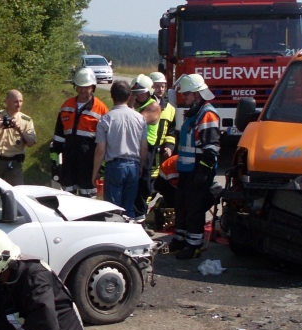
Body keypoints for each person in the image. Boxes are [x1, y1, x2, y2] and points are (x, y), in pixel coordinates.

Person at [169, 74, 221, 260]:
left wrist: (203, 173)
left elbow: (211, 149)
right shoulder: (194, 113)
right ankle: (180, 239)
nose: (184, 97)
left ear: (197, 94)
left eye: (187, 94)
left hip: (198, 171)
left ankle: (194, 244)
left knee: (194, 209)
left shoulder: (207, 115)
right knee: (181, 206)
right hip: (187, 171)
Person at [91, 81, 148, 219]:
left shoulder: (105, 120)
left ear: (112, 96)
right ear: (129, 96)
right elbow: (144, 147)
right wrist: (140, 166)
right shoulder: (140, 119)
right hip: (133, 165)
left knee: (112, 210)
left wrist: (95, 173)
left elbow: (100, 150)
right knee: (128, 209)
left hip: (115, 166)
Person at [50, 69, 108, 197]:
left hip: (88, 162)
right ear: (76, 87)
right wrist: (55, 161)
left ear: (93, 87)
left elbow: (105, 142)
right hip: (69, 160)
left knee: (88, 199)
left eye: (86, 87)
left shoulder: (101, 109)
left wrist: (101, 167)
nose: (83, 90)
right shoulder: (66, 106)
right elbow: (59, 136)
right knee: (67, 196)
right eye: (80, 87)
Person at [0, 89, 37, 185]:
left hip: (14, 163)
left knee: (18, 192)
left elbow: (31, 143)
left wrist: (19, 130)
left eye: (21, 101)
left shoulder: (26, 120)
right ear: (6, 101)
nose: (19, 104)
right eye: (15, 101)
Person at [131, 75, 163, 220]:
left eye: (141, 92)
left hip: (147, 149)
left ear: (149, 91)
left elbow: (135, 121)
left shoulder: (153, 106)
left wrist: (128, 105)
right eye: (135, 92)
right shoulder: (136, 105)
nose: (138, 95)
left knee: (143, 184)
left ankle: (140, 217)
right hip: (133, 148)